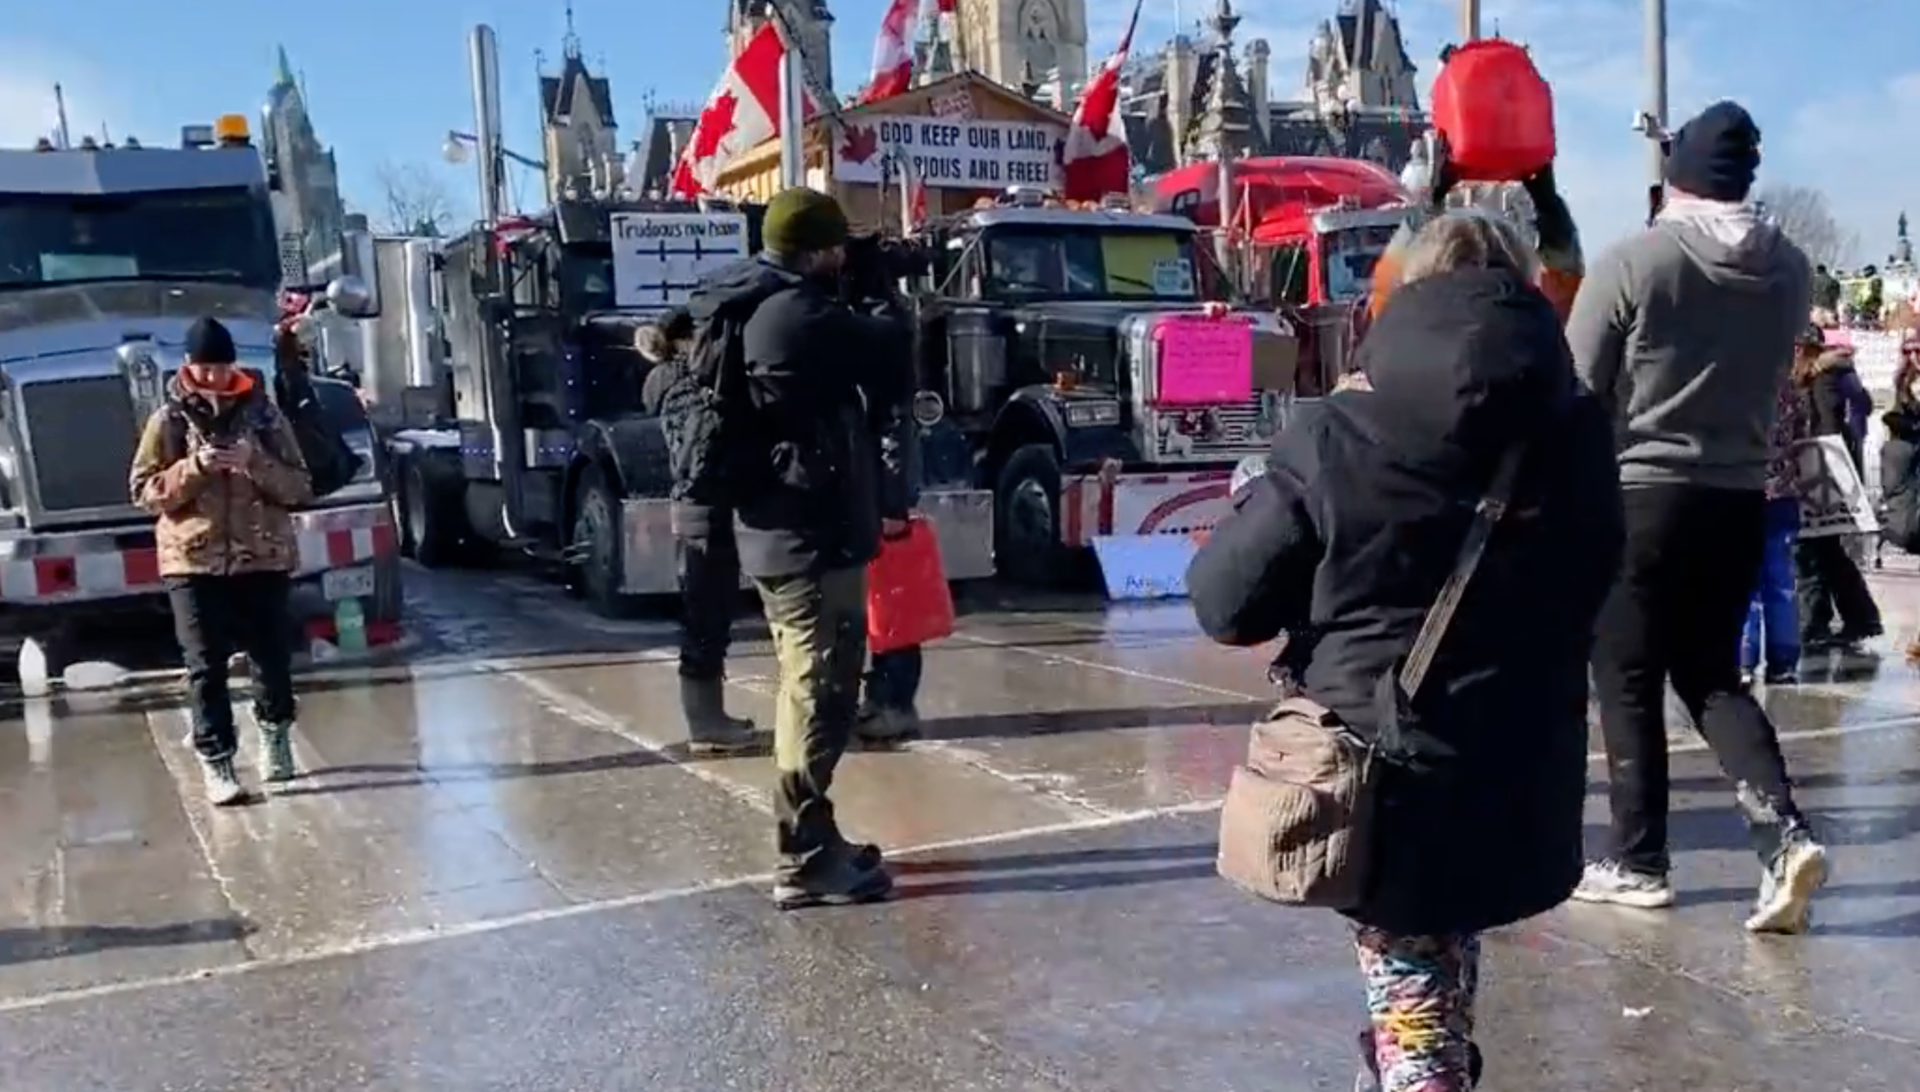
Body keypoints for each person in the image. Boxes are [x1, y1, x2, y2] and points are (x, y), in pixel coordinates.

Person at [1189, 212, 1625, 1092]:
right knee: (1432, 975)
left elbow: (1224, 602)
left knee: (1417, 1005)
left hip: (1382, 772)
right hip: (1526, 762)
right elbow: (1599, 577)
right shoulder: (1578, 433)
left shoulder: (1339, 430)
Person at [1566, 100, 1829, 931]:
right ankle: (1783, 834)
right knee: (1712, 673)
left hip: (1640, 491)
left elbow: (1575, 390)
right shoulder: (1791, 269)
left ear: (1674, 174)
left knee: (1628, 674)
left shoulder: (1635, 262)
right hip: (1738, 495)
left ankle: (1638, 858)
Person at [685, 187, 909, 909]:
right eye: (838, 247)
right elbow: (895, 359)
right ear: (816, 251)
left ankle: (812, 839)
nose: (846, 257)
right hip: (807, 537)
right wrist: (880, 292)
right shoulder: (798, 314)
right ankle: (805, 853)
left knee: (804, 685)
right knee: (822, 691)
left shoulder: (757, 303)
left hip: (782, 530)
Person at [129, 317, 314, 805]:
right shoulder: (167, 420)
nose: (213, 377)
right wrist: (195, 468)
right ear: (188, 366)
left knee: (271, 658)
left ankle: (275, 737)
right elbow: (144, 492)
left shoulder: (265, 415)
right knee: (204, 665)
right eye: (204, 367)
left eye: (221, 366)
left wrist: (254, 462)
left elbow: (300, 486)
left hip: (263, 556)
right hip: (192, 561)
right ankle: (218, 763)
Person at [642, 305, 758, 754]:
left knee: (704, 611)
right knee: (707, 613)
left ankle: (708, 718)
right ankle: (706, 723)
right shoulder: (691, 388)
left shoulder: (667, 383)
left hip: (692, 505)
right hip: (704, 507)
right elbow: (702, 450)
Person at [1740, 325, 1820, 688]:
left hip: (1744, 492)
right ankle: (1783, 662)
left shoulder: (1735, 389)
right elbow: (1804, 439)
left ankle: (1744, 657)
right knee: (1781, 581)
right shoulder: (1790, 392)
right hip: (1784, 495)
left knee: (1746, 583)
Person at [1795, 332, 1883, 648]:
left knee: (1808, 550)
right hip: (1829, 469)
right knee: (1827, 550)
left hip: (1817, 470)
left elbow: (1822, 427)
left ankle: (1815, 623)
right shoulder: (1835, 374)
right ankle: (1860, 617)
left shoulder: (1820, 378)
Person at [860, 382, 925, 743]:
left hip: (878, 498)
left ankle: (894, 703)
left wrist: (891, 502)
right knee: (879, 605)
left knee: (892, 603)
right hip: (871, 491)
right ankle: (883, 697)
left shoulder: (875, 342)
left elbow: (892, 427)